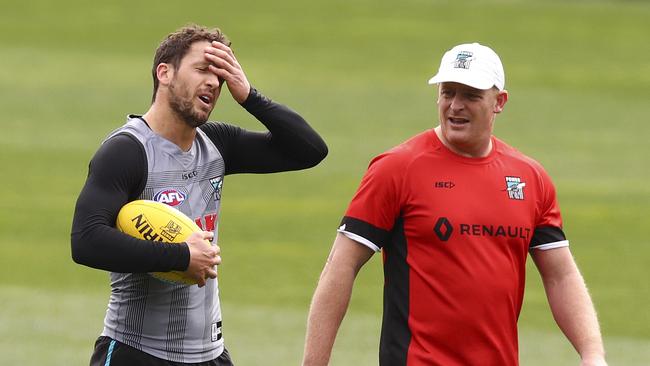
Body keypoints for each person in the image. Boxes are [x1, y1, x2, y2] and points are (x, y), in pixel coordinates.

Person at [302, 43, 606, 366]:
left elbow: (561, 276)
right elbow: (341, 265)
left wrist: (592, 354)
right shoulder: (397, 169)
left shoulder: (530, 178)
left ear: (499, 102)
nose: (455, 106)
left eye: (470, 96)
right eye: (448, 93)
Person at [71, 24, 327, 366]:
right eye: (203, 69)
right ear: (164, 72)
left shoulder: (217, 144)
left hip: (210, 356)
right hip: (137, 352)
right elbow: (86, 240)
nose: (213, 83)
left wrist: (249, 95)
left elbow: (309, 151)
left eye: (220, 77)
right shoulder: (127, 152)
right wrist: (180, 257)